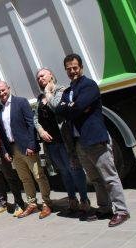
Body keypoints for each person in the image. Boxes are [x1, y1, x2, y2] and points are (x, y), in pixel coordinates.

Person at [56, 53, 130, 227]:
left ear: (81, 67)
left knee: (109, 177)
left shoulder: (89, 86)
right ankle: (104, 208)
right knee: (95, 179)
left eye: (75, 68)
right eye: (68, 69)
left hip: (95, 138)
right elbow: (60, 109)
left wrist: (73, 108)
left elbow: (77, 108)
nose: (72, 71)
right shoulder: (68, 91)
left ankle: (122, 211)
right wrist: (72, 107)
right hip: (79, 142)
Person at [34, 68, 89, 214]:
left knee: (74, 170)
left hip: (64, 140)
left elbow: (57, 107)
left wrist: (48, 92)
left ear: (51, 75)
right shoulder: (40, 98)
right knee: (64, 172)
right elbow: (35, 118)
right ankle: (72, 200)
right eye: (38, 78)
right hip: (51, 144)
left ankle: (84, 200)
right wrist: (41, 131)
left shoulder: (61, 90)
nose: (40, 79)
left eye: (42, 76)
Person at [0, 81, 52, 219]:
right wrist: (6, 151)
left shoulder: (21, 102)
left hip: (26, 147)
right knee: (24, 178)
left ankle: (46, 203)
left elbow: (30, 124)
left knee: (39, 176)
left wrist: (31, 145)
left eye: (3, 90)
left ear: (8, 88)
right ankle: (32, 203)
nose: (2, 93)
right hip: (13, 149)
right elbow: (1, 133)